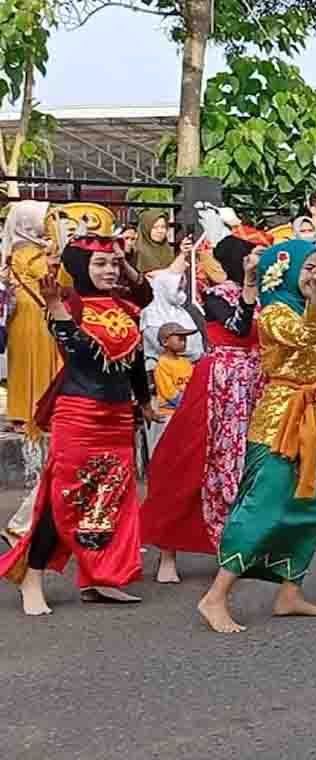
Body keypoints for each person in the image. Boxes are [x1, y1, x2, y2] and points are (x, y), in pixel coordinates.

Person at [196, 240, 316, 633]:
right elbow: (305, 337)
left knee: (311, 509)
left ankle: (290, 593)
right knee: (263, 509)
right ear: (282, 273)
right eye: (307, 267)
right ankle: (215, 596)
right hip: (279, 424)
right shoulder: (274, 314)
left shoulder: (314, 312)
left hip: (315, 424)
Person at [0, 235, 156, 615]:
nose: (110, 270)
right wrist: (58, 310)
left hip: (118, 415)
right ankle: (32, 577)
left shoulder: (124, 304)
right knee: (65, 498)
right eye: (100, 264)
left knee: (109, 501)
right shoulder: (67, 301)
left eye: (113, 264)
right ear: (80, 267)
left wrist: (144, 401)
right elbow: (80, 355)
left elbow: (136, 355)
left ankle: (97, 578)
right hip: (81, 414)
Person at [141, 231, 266, 583]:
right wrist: (250, 287)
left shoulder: (267, 297)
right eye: (251, 257)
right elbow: (238, 328)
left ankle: (237, 547)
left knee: (249, 468)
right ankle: (167, 552)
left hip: (254, 385)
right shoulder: (215, 296)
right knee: (188, 462)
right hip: (219, 384)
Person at [2, 200, 61, 439]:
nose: (46, 224)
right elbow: (50, 278)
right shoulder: (31, 253)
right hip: (35, 312)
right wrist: (56, 253)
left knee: (22, 362)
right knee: (39, 359)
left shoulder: (16, 249)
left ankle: (21, 412)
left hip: (24, 311)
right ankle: (37, 413)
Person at [140, 236, 203, 367]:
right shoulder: (151, 314)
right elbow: (162, 347)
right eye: (176, 288)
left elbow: (197, 348)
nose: (180, 292)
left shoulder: (181, 312)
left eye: (181, 288)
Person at [147, 322, 197, 453]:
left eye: (185, 338)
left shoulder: (186, 362)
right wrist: (189, 405)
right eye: (179, 338)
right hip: (169, 415)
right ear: (165, 342)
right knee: (167, 449)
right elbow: (170, 394)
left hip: (185, 412)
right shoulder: (162, 364)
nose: (184, 341)